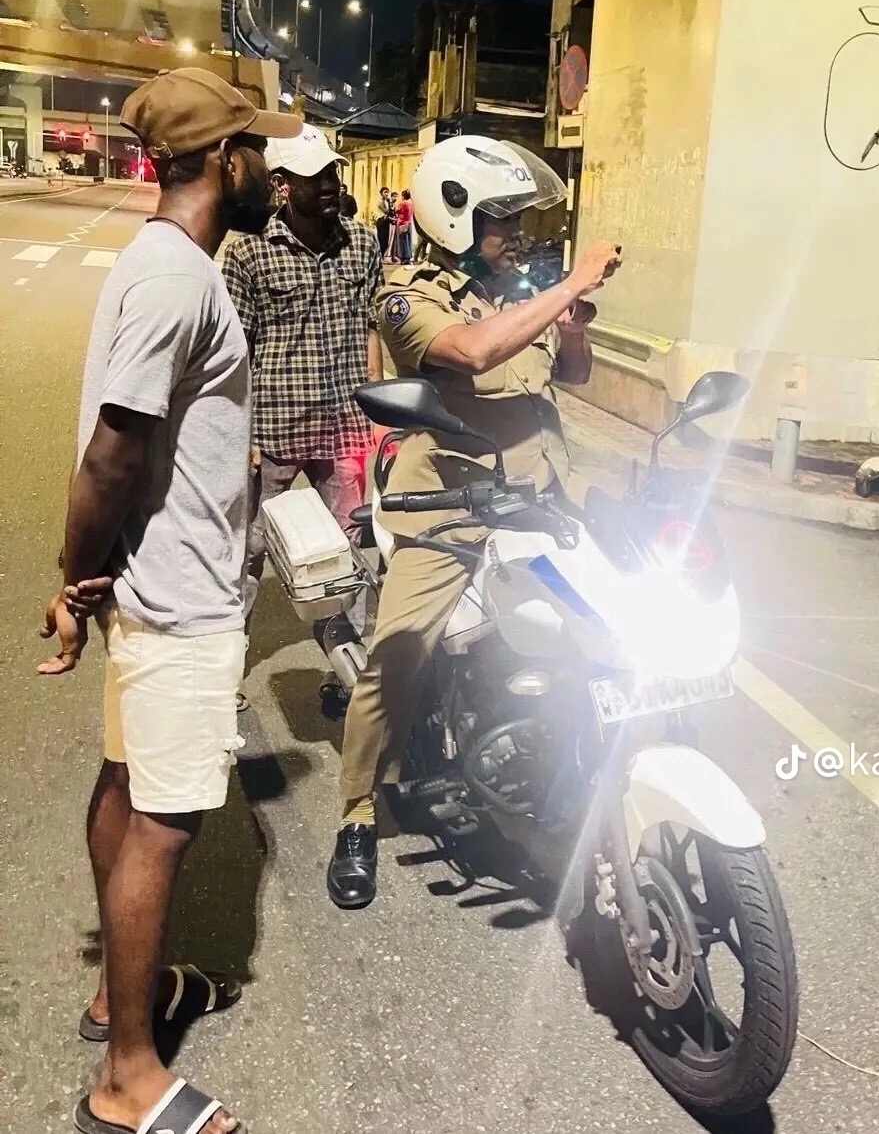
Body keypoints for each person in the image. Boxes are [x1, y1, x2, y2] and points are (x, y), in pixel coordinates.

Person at [38, 67, 302, 1134]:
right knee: (164, 819)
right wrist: (73, 577)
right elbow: (112, 451)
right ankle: (130, 1077)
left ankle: (121, 999)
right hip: (179, 596)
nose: (271, 168)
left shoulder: (165, 266)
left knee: (126, 779)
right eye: (259, 150)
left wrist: (91, 576)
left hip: (157, 581)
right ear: (225, 162)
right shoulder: (178, 280)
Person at [328, 136, 621, 909]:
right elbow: (471, 352)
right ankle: (357, 812)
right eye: (501, 219)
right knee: (396, 655)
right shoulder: (405, 294)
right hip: (453, 507)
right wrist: (569, 285)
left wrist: (573, 324)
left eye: (519, 218)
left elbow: (570, 373)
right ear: (453, 217)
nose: (516, 234)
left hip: (542, 498)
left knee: (608, 626)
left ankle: (569, 762)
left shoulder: (516, 290)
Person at [222, 123, 383, 635]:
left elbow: (370, 327)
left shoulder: (362, 243)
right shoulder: (249, 252)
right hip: (275, 431)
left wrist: (379, 409)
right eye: (315, 178)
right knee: (250, 548)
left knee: (348, 546)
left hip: (344, 429)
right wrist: (242, 433)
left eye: (332, 173)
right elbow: (236, 352)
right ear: (282, 185)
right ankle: (228, 654)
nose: (330, 185)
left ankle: (348, 656)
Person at [394, 188, 414, 264]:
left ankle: (404, 257)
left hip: (402, 223)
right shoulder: (411, 203)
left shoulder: (403, 203)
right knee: (408, 241)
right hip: (409, 222)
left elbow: (396, 210)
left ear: (403, 196)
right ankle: (408, 257)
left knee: (403, 241)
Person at [374, 186, 393, 257]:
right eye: (385, 192)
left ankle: (382, 255)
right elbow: (387, 211)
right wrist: (389, 202)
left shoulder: (386, 201)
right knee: (382, 239)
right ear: (381, 193)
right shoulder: (380, 201)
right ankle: (380, 256)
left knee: (386, 239)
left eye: (387, 192)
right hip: (381, 220)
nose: (387, 194)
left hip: (386, 220)